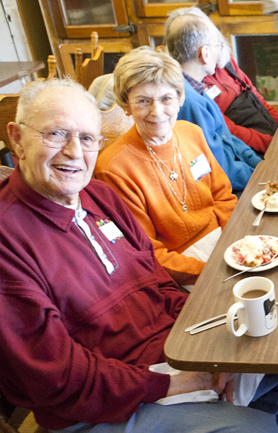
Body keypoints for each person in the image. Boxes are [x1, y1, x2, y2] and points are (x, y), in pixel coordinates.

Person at [0, 78, 278, 433]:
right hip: (95, 408)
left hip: (168, 356)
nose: (73, 153)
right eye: (55, 134)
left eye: (87, 138)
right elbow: (56, 377)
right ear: (16, 138)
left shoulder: (98, 196)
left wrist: (217, 350)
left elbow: (159, 281)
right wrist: (171, 384)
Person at [95, 49, 237, 288]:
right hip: (180, 269)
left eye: (166, 98)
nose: (157, 112)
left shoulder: (191, 133)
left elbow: (223, 196)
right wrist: (210, 272)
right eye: (143, 101)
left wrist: (237, 245)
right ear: (126, 105)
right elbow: (148, 250)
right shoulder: (113, 168)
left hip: (226, 240)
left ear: (180, 98)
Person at [165, 14, 262, 193]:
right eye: (217, 46)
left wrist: (259, 164)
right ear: (205, 53)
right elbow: (219, 167)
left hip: (242, 174)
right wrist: (260, 175)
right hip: (229, 189)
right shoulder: (190, 103)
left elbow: (227, 138)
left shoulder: (196, 87)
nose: (219, 52)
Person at [165, 6, 278, 155]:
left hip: (256, 145)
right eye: (215, 45)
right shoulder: (193, 97)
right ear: (205, 52)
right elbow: (226, 141)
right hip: (252, 148)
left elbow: (255, 96)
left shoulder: (214, 70)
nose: (219, 49)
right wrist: (272, 146)